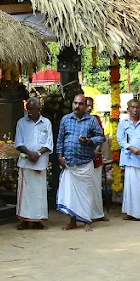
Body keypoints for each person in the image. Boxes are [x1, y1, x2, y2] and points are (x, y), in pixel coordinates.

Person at [56, 94, 105, 231]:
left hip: (85, 163)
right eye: (75, 103)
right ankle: (72, 222)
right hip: (70, 164)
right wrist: (59, 156)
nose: (77, 106)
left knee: (86, 193)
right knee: (71, 195)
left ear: (86, 106)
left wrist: (89, 141)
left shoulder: (92, 120)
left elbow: (101, 137)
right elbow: (60, 139)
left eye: (80, 104)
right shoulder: (66, 119)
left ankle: (87, 221)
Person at [13, 97, 54, 229]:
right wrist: (29, 153)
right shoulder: (21, 122)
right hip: (26, 163)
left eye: (32, 109)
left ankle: (38, 220)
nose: (30, 112)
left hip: (40, 162)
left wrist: (38, 154)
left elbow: (49, 143)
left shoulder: (46, 123)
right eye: (28, 109)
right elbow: (18, 142)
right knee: (25, 193)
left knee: (39, 193)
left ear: (39, 109)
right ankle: (24, 220)